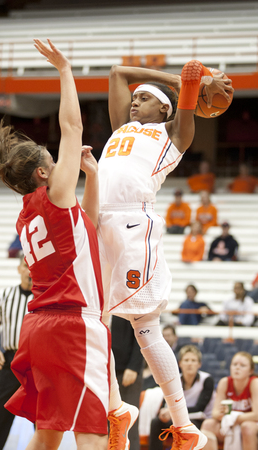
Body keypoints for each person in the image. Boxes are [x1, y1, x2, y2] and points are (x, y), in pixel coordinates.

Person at [97, 57, 233, 450]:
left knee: (143, 326)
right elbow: (117, 73)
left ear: (165, 109)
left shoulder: (174, 135)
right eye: (134, 98)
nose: (135, 101)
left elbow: (189, 88)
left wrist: (183, 84)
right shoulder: (122, 128)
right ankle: (116, 408)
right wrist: (167, 78)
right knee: (93, 319)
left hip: (133, 227)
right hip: (98, 221)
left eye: (144, 99)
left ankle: (183, 425)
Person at [0, 38, 110, 450]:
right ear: (42, 172)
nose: (62, 166)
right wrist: (65, 71)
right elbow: (72, 127)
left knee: (48, 434)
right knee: (91, 432)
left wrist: (92, 178)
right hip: (72, 323)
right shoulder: (54, 195)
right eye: (55, 164)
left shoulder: (27, 213)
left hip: (39, 329)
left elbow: (85, 228)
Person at [0, 254, 33, 450]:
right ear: (19, 269)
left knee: (42, 417)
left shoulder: (47, 297)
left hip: (37, 362)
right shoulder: (4, 295)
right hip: (11, 360)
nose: (30, 271)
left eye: (33, 267)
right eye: (25, 266)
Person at [149, 345, 215, 450]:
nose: (190, 363)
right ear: (180, 364)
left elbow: (199, 408)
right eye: (186, 360)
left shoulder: (207, 379)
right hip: (177, 418)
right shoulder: (174, 379)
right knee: (157, 422)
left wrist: (172, 412)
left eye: (193, 360)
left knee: (187, 426)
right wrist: (164, 412)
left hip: (198, 419)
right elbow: (165, 403)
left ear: (199, 364)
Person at [200, 351, 258, 450]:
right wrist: (223, 415)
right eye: (234, 364)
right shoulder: (224, 382)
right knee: (207, 424)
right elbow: (215, 413)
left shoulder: (254, 383)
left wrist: (233, 418)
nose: (237, 368)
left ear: (250, 370)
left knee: (247, 427)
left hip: (250, 423)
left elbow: (256, 415)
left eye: (242, 365)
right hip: (230, 422)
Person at [111, 315, 144, 450]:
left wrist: (134, 366)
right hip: (102, 369)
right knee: (106, 423)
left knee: (128, 423)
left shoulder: (125, 298)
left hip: (127, 370)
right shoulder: (97, 299)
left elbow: (141, 333)